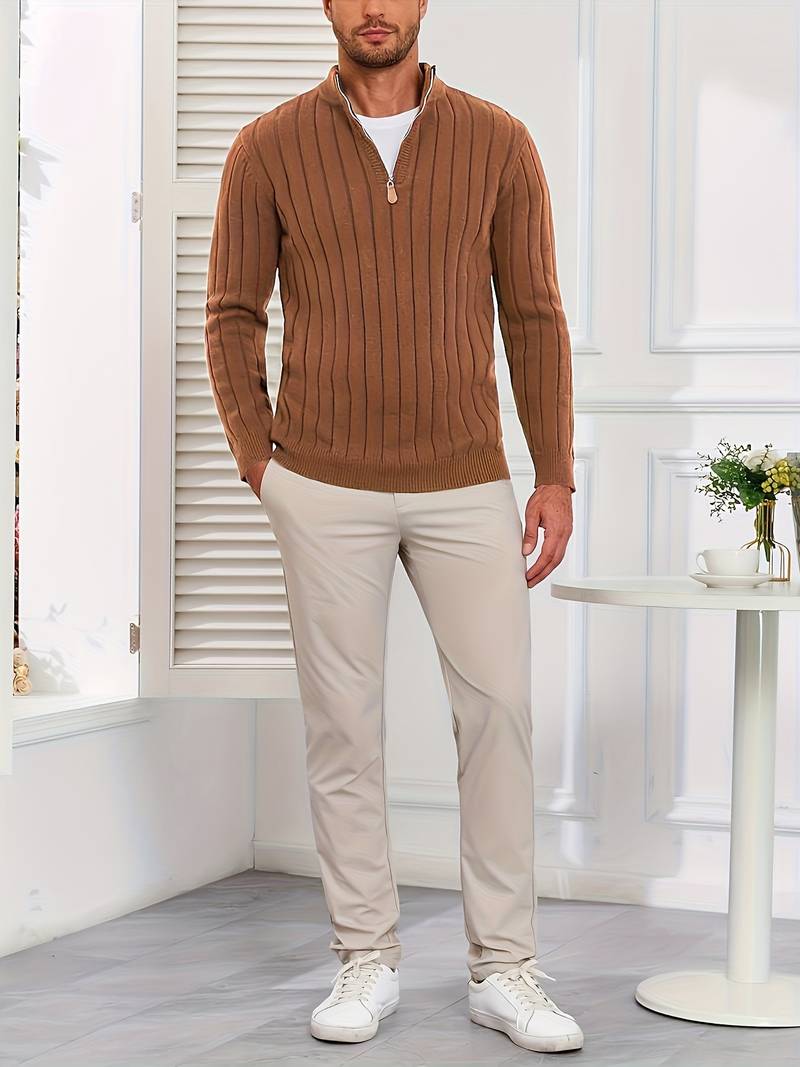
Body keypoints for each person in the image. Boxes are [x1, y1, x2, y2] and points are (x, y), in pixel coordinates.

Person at [204, 0, 581, 1054]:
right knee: (343, 725)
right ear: (328, 5)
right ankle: (364, 955)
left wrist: (553, 470)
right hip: (320, 481)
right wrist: (260, 460)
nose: (375, 8)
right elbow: (231, 313)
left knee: (497, 713)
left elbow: (533, 313)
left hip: (466, 479)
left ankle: (504, 968)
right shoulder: (266, 145)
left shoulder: (498, 140)